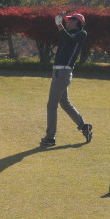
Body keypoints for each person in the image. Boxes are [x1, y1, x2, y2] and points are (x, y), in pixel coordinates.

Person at [40, 12, 92, 147]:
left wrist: (59, 24)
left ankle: (50, 137)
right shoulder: (67, 34)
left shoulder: (81, 34)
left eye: (70, 20)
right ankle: (83, 126)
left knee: (52, 104)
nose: (67, 22)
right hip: (59, 71)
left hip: (63, 72)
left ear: (77, 22)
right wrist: (60, 26)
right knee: (64, 103)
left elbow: (70, 38)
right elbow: (65, 36)